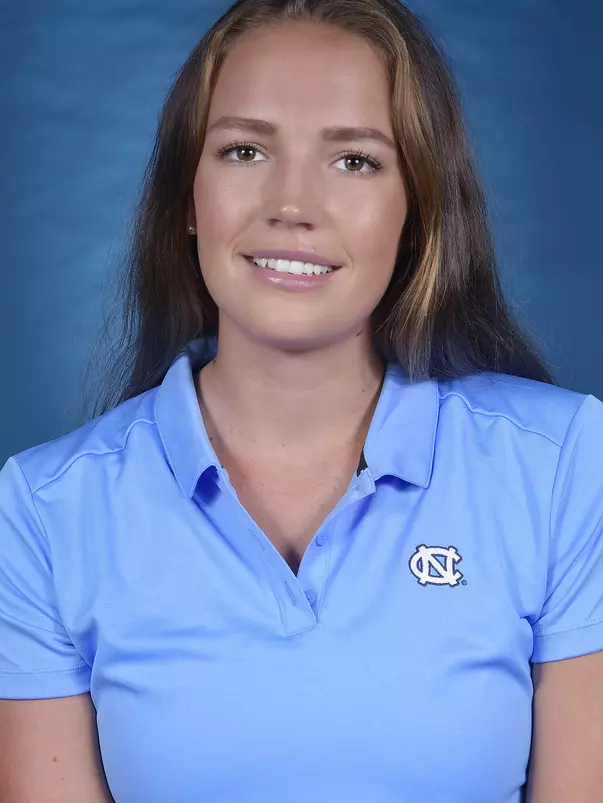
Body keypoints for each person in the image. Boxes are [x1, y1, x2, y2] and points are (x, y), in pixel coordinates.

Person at [1, 0, 602, 800]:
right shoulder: (43, 511)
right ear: (186, 196)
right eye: (244, 149)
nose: (291, 204)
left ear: (417, 208)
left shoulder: (564, 465)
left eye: (353, 160)